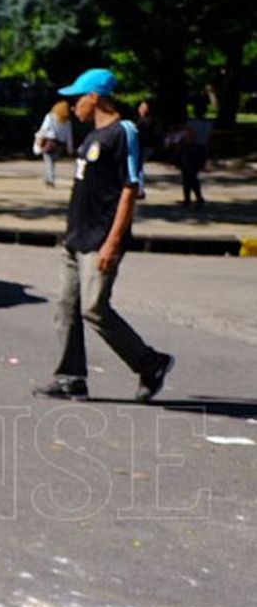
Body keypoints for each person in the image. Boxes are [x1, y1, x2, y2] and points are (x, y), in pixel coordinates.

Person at [33, 68, 173, 403]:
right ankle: (70, 377)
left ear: (94, 97)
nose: (73, 106)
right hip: (76, 237)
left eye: (78, 98)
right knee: (67, 307)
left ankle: (150, 363)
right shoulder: (91, 137)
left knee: (94, 307)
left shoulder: (123, 131)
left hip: (101, 238)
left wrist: (113, 241)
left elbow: (130, 189)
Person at [178, 98, 213, 208]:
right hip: (201, 149)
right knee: (193, 174)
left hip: (190, 149)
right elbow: (209, 138)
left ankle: (193, 197)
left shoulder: (191, 123)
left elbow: (189, 138)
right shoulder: (209, 123)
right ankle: (190, 198)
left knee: (188, 175)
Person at [32, 100, 74, 187]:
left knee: (49, 161)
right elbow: (69, 135)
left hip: (49, 142)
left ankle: (50, 179)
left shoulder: (50, 117)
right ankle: (48, 178)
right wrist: (70, 148)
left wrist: (38, 137)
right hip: (59, 144)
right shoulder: (67, 121)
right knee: (52, 161)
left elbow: (44, 128)